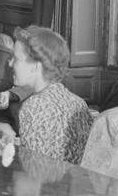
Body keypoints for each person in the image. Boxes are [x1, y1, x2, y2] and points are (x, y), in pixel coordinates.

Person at [9, 25, 92, 164]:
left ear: (36, 66)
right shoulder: (78, 102)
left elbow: (34, 171)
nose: (10, 63)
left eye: (15, 58)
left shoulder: (34, 107)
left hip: (49, 184)